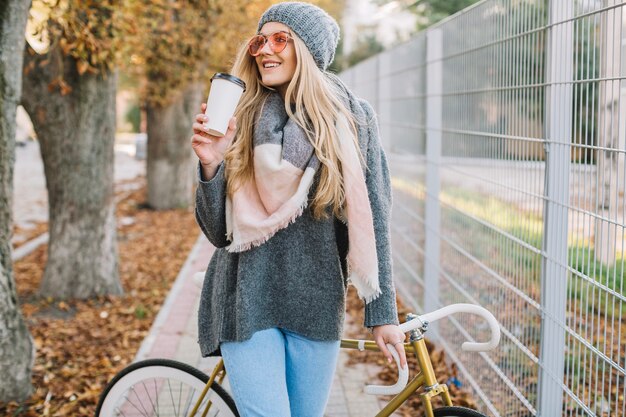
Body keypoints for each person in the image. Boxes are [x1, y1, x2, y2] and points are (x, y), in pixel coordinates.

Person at [190, 2, 407, 416]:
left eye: (280, 39)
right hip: (245, 300)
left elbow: (374, 216)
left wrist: (383, 314)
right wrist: (210, 164)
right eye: (259, 42)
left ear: (308, 50)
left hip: (316, 303)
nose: (265, 50)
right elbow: (219, 233)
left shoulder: (353, 119)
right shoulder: (239, 113)